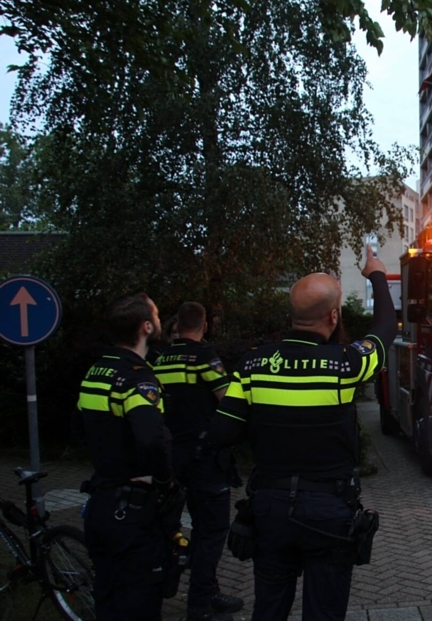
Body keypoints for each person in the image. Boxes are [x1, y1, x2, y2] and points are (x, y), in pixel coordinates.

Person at [206, 245, 397, 621]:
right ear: (333, 315)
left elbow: (222, 432)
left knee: (269, 608)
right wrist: (376, 273)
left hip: (270, 507)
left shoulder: (252, 364)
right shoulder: (346, 363)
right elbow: (385, 329)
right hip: (328, 510)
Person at [78, 293, 174, 620]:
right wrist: (162, 478)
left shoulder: (96, 371)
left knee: (107, 597)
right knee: (139, 603)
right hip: (131, 512)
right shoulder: (137, 377)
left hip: (100, 503)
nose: (161, 321)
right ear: (146, 327)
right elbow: (150, 438)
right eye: (158, 315)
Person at [152, 302, 244, 621]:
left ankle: (208, 590)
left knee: (182, 524)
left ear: (178, 325)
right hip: (204, 456)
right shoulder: (205, 357)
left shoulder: (160, 361)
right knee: (212, 529)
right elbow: (228, 399)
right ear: (204, 326)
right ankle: (201, 603)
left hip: (171, 457)